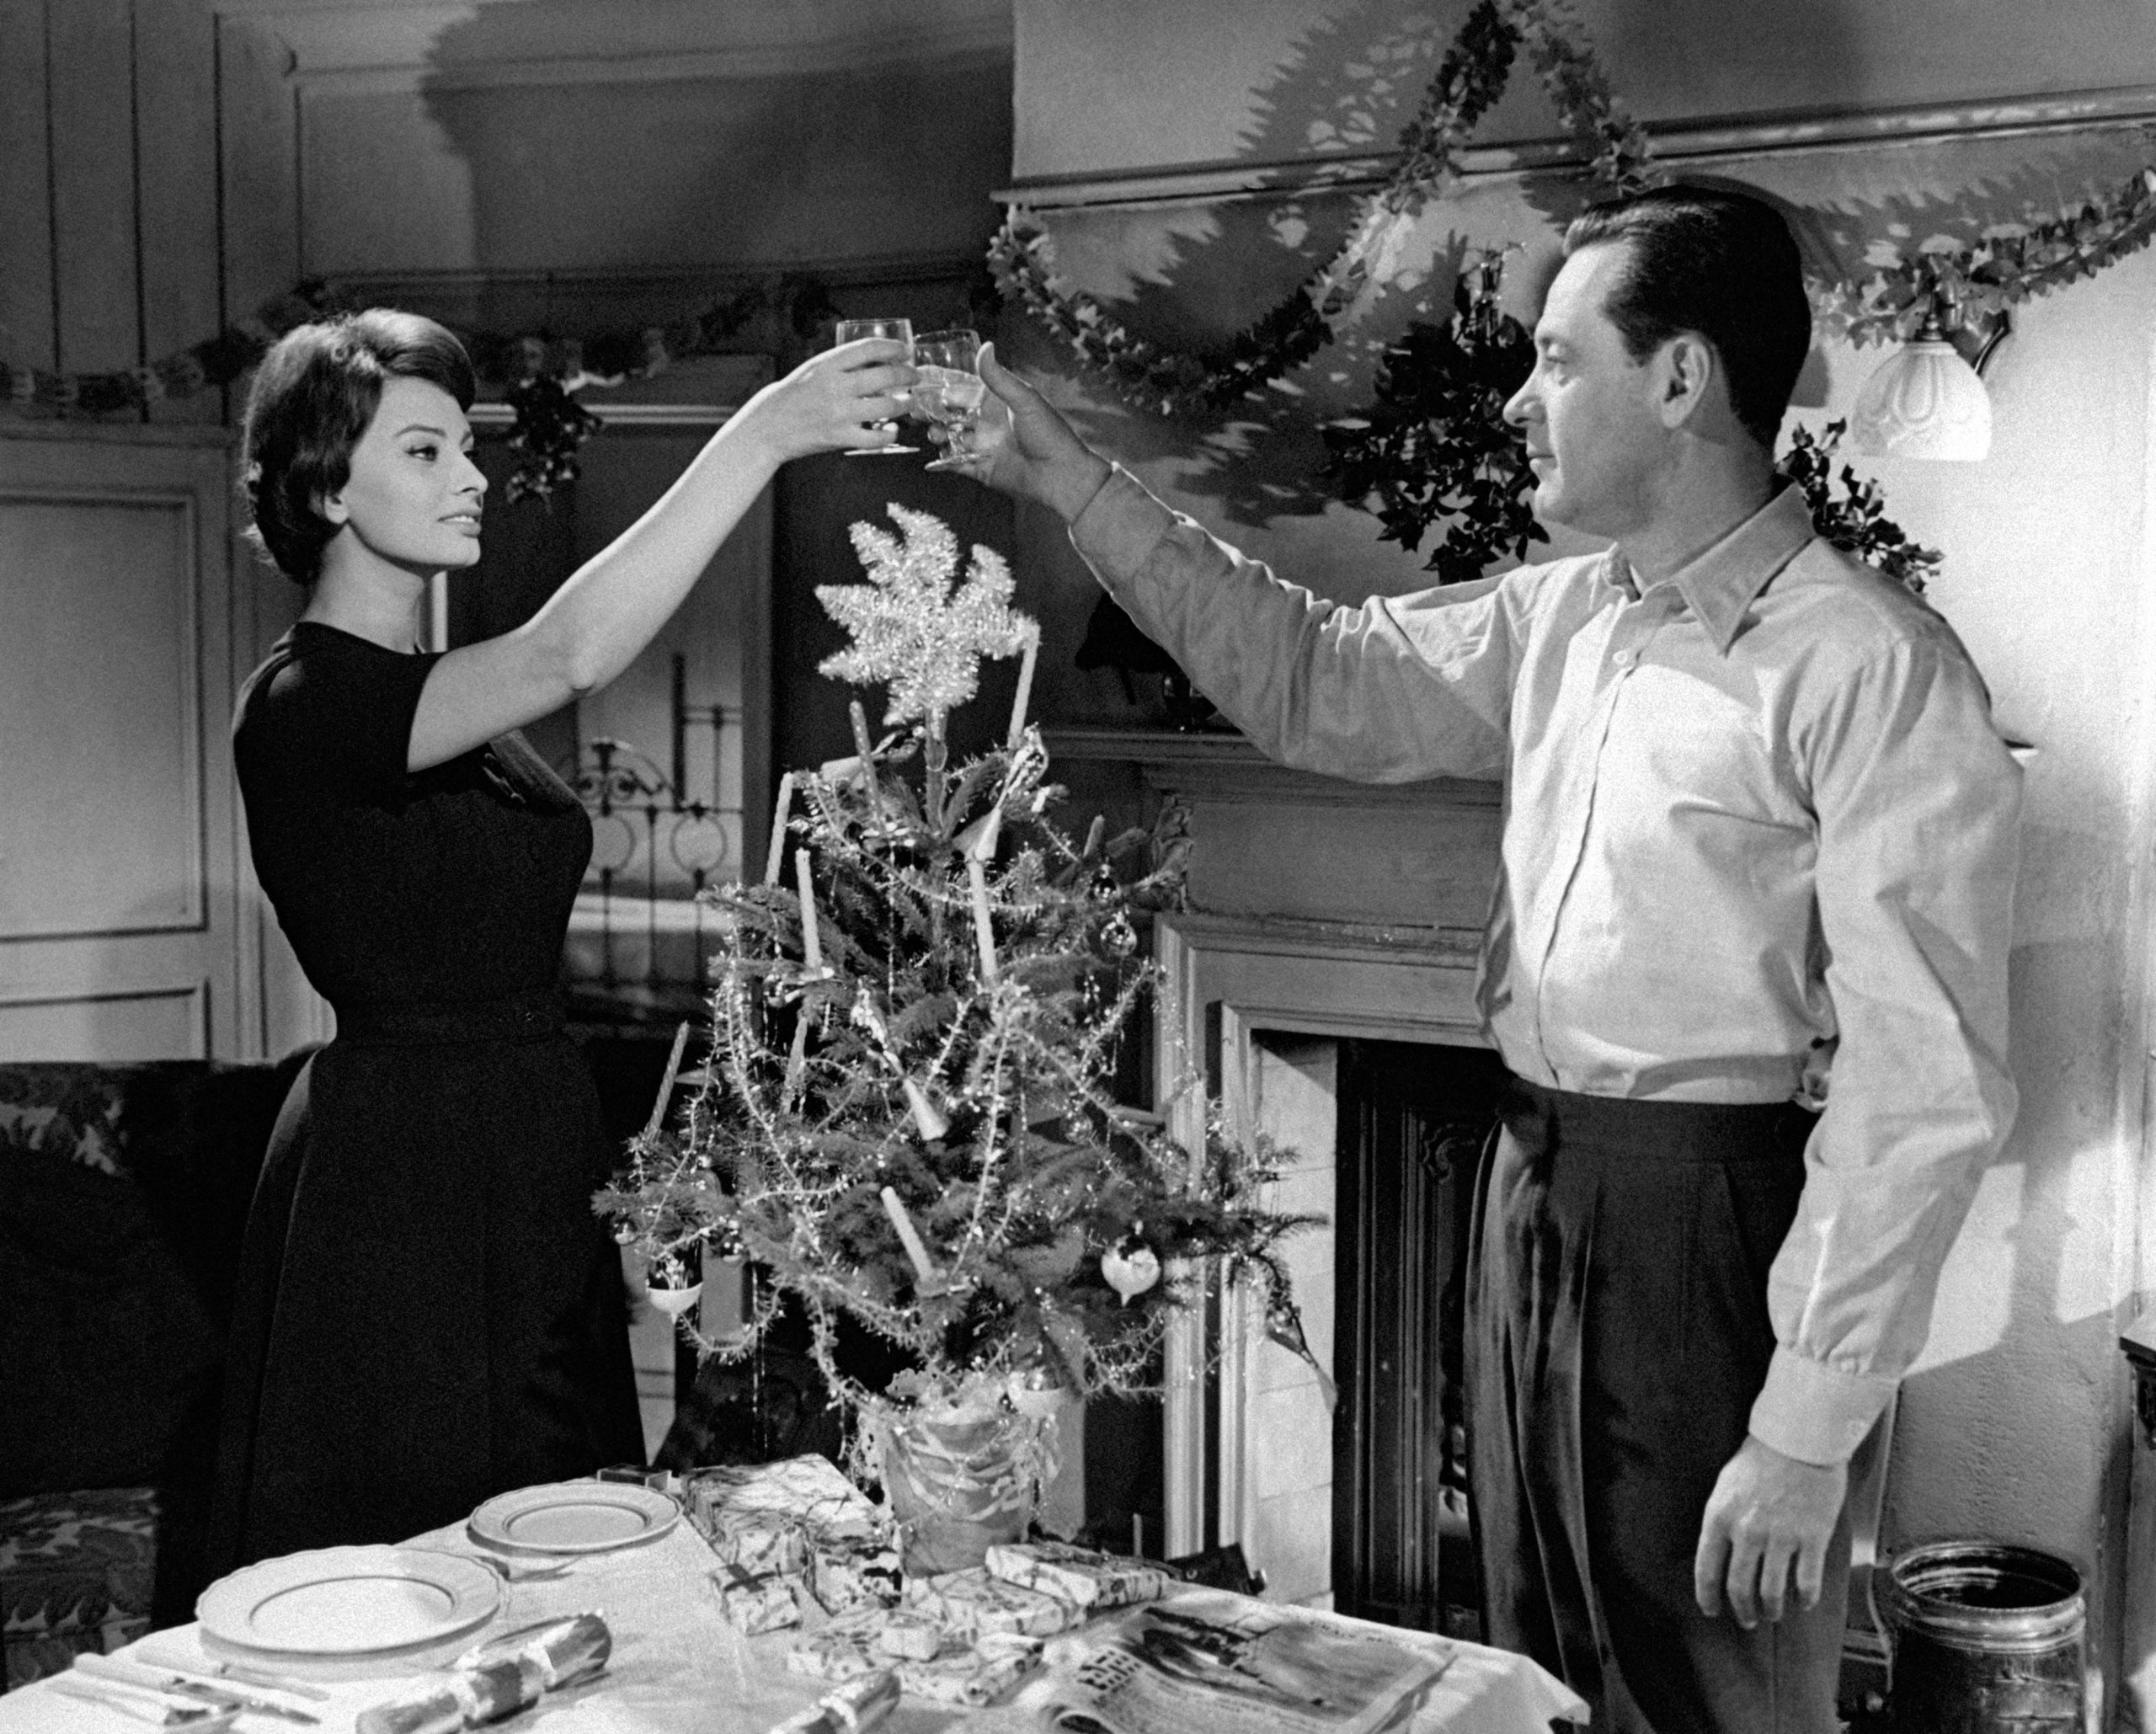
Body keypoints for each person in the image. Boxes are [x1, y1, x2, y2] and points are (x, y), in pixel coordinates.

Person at [937, 187, 2020, 1733]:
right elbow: (1313, 680)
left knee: (1705, 1698)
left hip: (1707, 1233)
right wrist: (1064, 474)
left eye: (1556, 360)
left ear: (1681, 380)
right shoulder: (1562, 618)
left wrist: (1805, 1427)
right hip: (1523, 1190)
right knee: (1532, 1681)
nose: (1519, 400)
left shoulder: (1868, 668)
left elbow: (1923, 1089)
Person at [206, 308, 912, 1571]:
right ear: (324, 483)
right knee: (410, 1582)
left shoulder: (452, 705)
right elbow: (573, 648)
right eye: (424, 451)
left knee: (562, 1564)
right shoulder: (306, 704)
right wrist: (760, 435)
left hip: (526, 1159)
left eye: (464, 449)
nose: (471, 477)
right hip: (399, 1191)